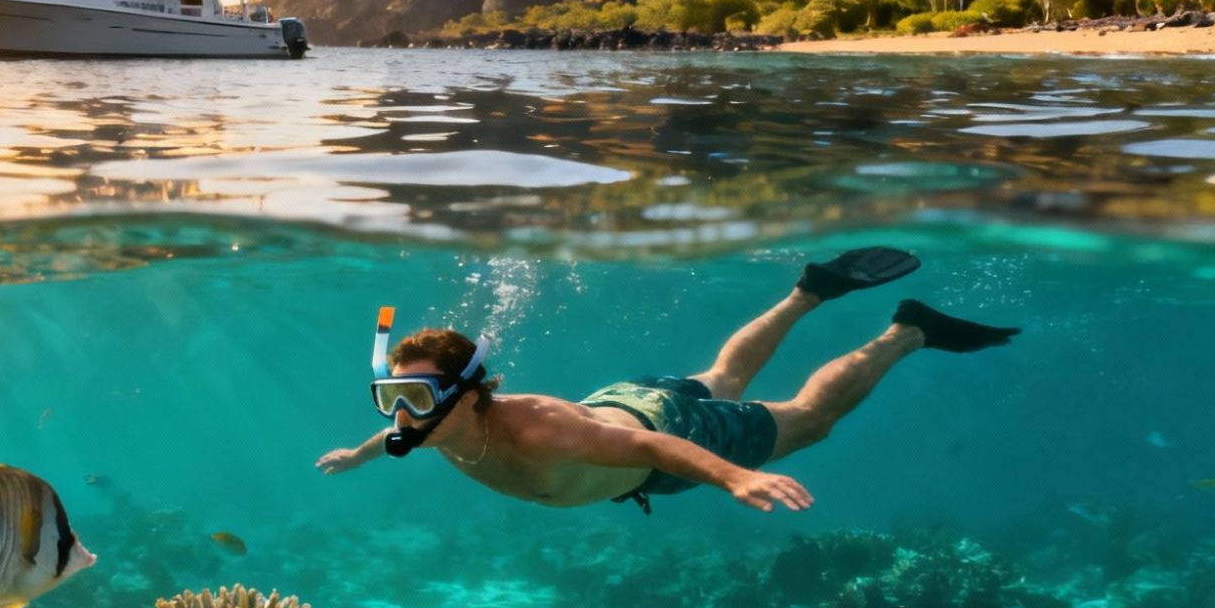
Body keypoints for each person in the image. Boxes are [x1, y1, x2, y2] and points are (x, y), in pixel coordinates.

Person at [315, 248, 1019, 512]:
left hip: (664, 433)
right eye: (392, 399)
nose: (402, 416)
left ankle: (908, 330)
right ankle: (807, 291)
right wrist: (357, 453)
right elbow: (394, 439)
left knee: (810, 420)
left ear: (472, 392)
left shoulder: (540, 428)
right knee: (724, 372)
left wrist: (734, 477)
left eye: (417, 398)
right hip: (626, 400)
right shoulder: (426, 431)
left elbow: (653, 452)